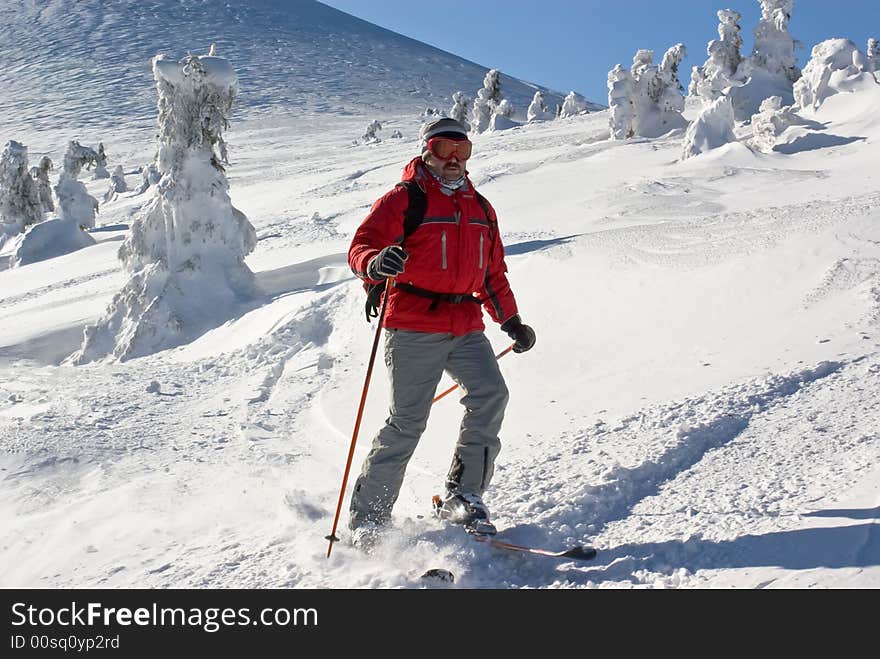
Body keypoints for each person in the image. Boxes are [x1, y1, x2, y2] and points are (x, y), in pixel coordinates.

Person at [346, 117, 536, 550]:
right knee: (408, 421)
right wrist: (375, 264)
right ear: (427, 151)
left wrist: (510, 321)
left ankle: (464, 494)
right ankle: (368, 519)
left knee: (491, 396)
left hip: (465, 324)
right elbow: (362, 246)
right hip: (413, 323)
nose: (453, 160)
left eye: (462, 151)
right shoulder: (404, 199)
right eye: (443, 149)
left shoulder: (481, 208)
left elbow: (492, 274)